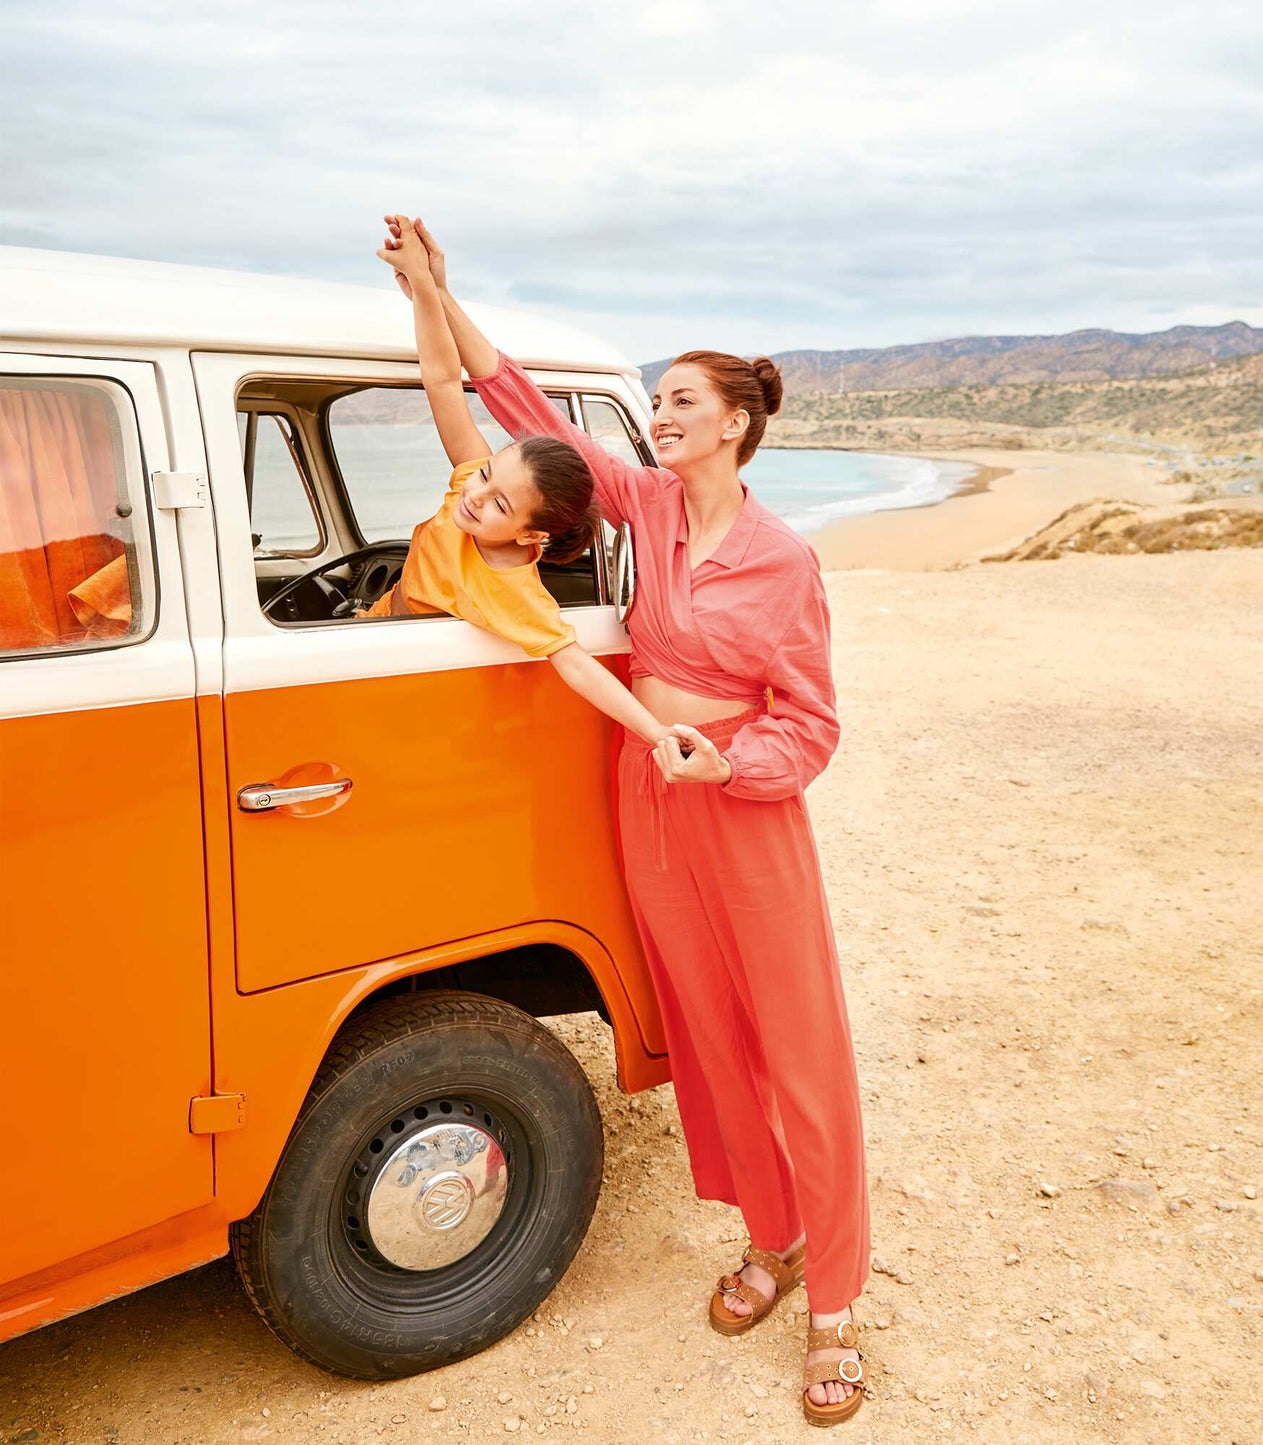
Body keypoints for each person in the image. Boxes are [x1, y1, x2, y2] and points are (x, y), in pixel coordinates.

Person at [383, 215, 870, 1428]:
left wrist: (730, 760)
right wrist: (439, 291)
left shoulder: (781, 559)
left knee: (796, 1044)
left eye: (679, 399)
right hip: (644, 796)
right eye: (654, 398)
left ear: (735, 425)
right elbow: (517, 409)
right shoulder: (640, 504)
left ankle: (836, 1303)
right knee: (705, 1031)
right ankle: (771, 1239)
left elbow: (810, 724)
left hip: (741, 810)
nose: (658, 413)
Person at [366, 223, 670, 749]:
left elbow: (577, 666)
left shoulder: (515, 593)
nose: (475, 494)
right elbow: (442, 380)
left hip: (400, 669)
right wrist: (423, 289)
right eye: (486, 474)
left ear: (532, 537)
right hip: (371, 628)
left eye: (499, 503)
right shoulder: (472, 483)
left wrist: (658, 734)